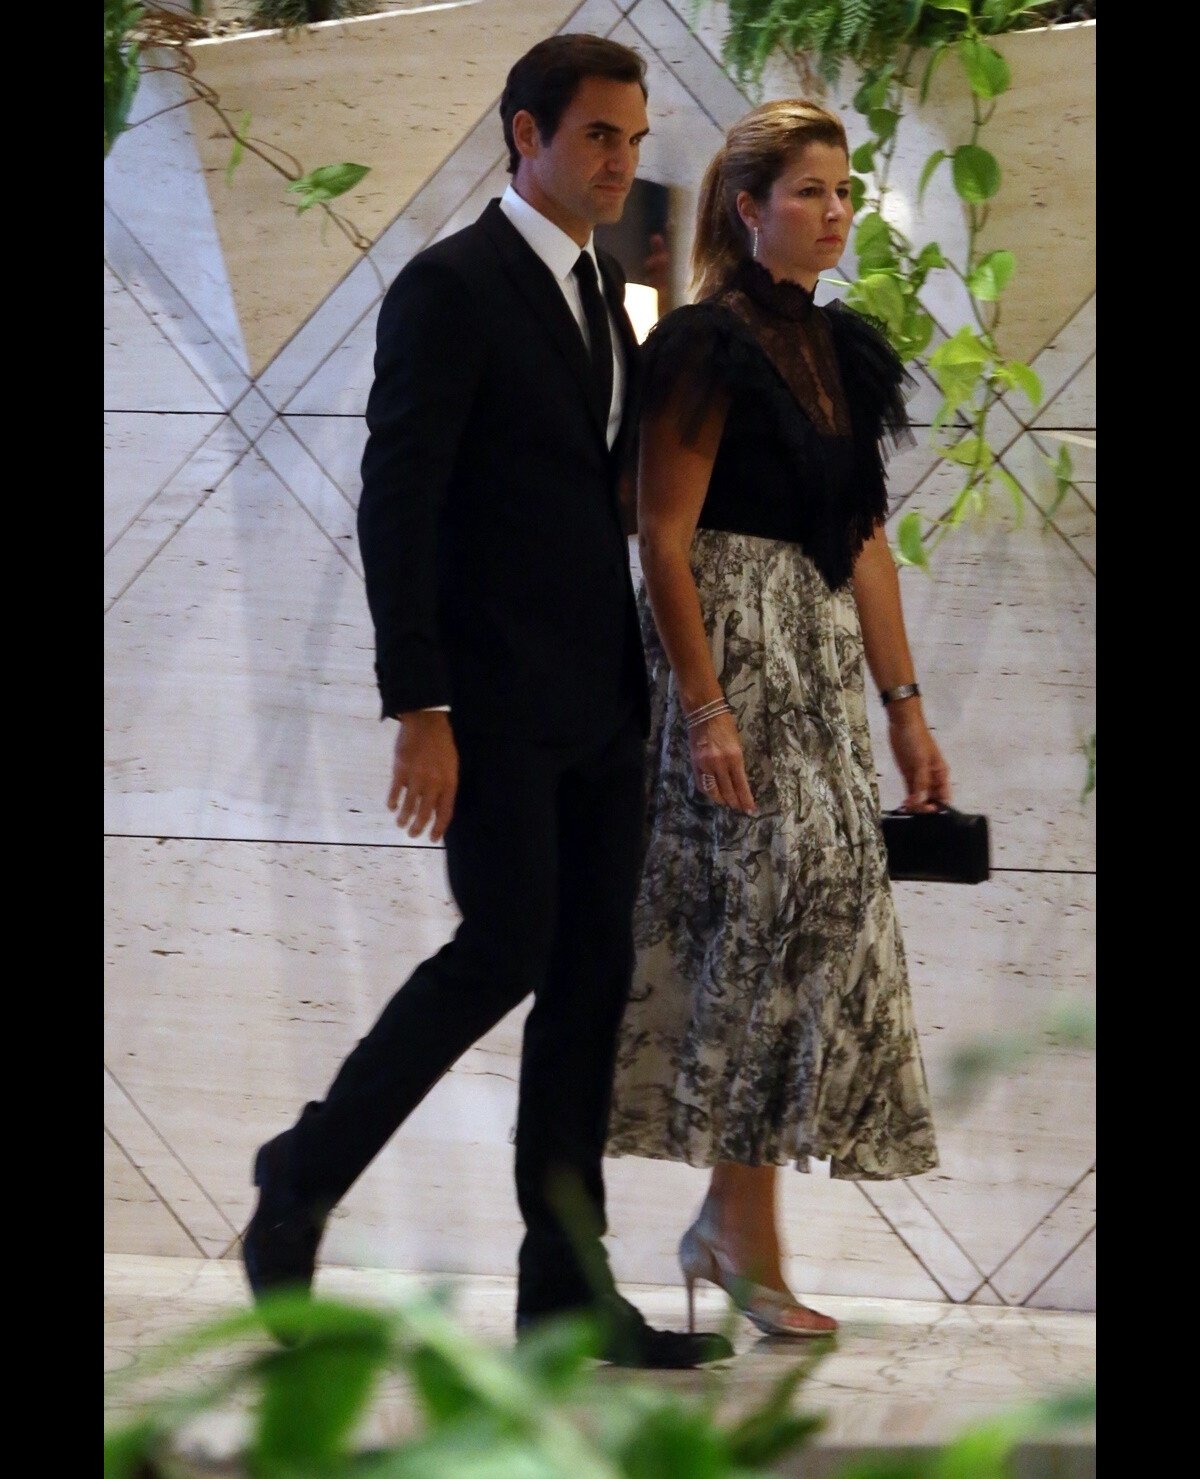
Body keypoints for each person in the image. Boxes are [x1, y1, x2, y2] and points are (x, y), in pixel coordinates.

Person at [241, 33, 731, 1371]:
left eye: (633, 138)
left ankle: (564, 1286)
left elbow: (600, 494)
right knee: (506, 947)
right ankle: (303, 1171)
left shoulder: (606, 291)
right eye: (596, 137)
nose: (621, 162)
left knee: (584, 984)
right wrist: (423, 702)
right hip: (496, 702)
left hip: (602, 705)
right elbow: (398, 503)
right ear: (525, 135)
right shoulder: (449, 290)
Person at [606, 99, 950, 1339]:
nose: (835, 211)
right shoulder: (702, 343)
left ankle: (731, 1226)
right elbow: (661, 533)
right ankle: (737, 1238)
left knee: (818, 928)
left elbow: (863, 542)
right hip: (733, 663)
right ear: (747, 208)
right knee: (760, 929)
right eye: (809, 192)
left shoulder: (843, 349)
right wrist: (703, 706)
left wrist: (906, 711)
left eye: (844, 191)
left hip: (815, 665)